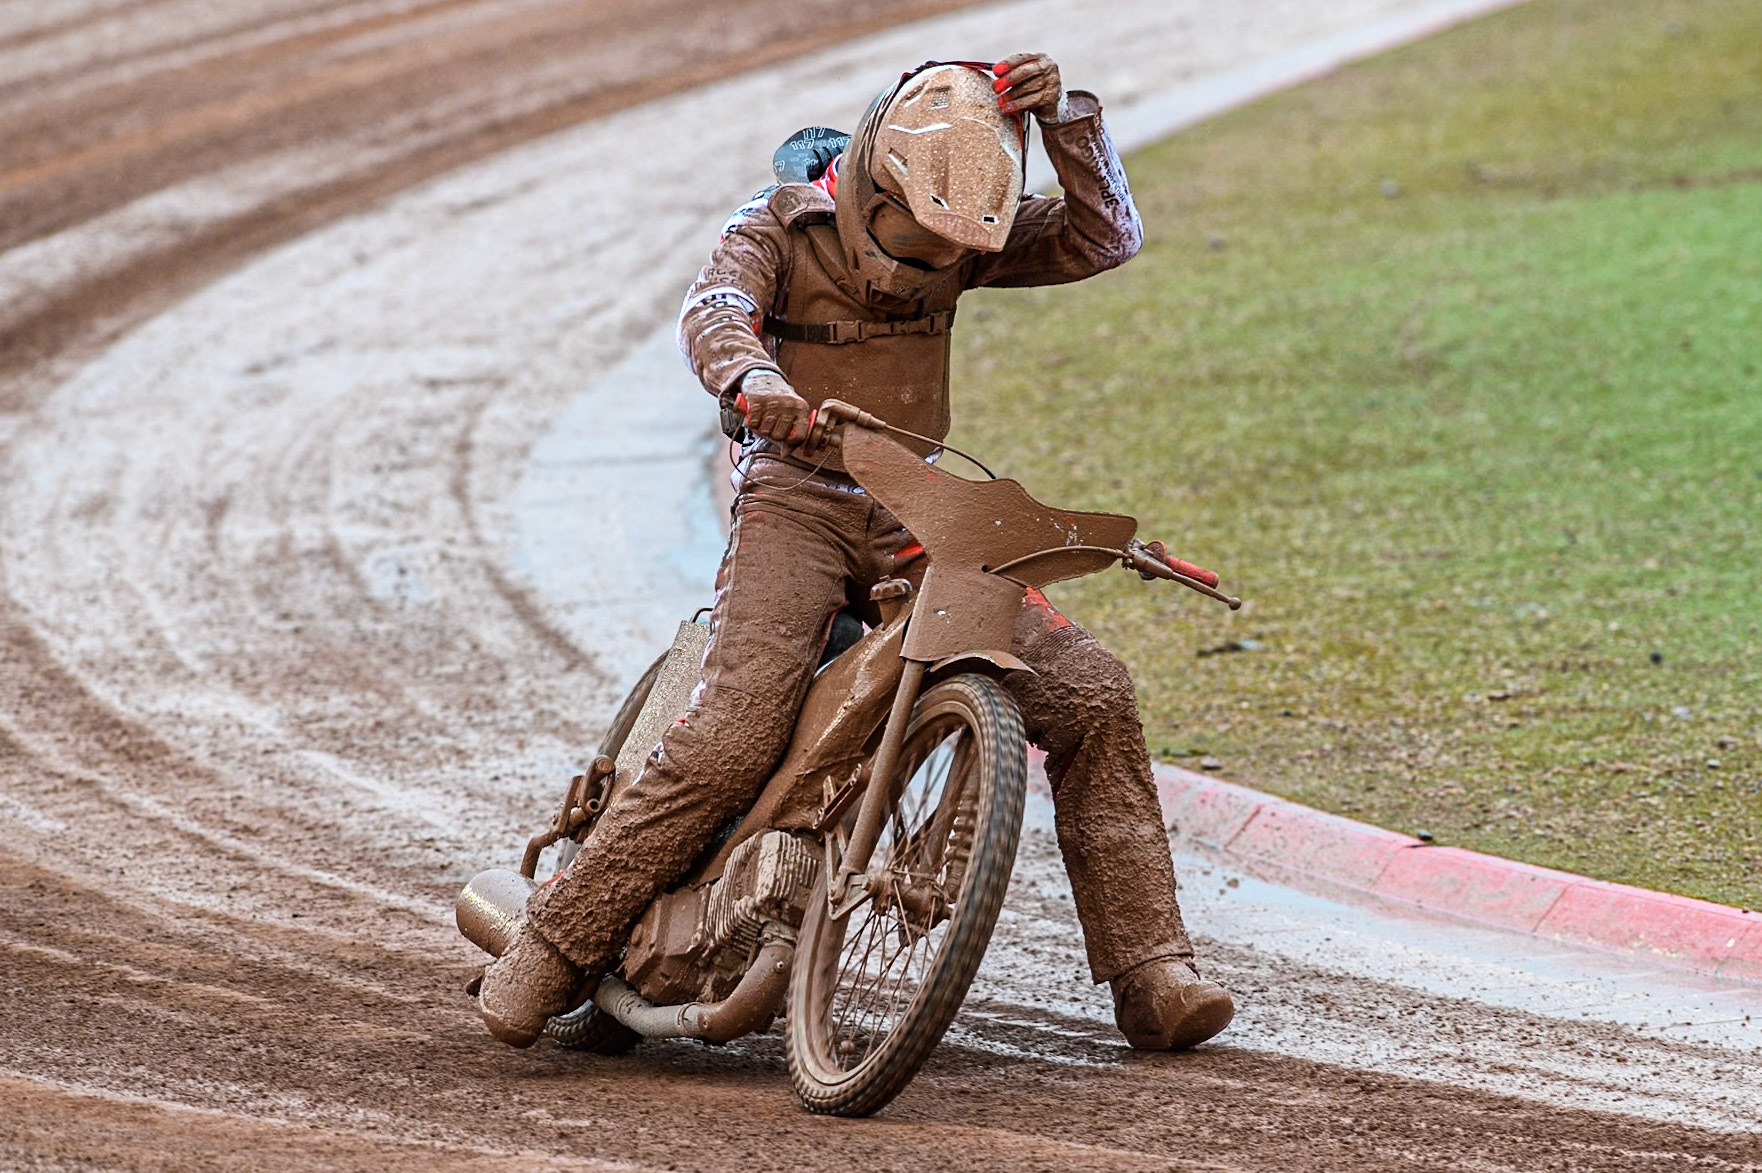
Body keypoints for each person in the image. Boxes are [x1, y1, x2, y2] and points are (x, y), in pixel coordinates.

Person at [479, 53, 1235, 1052]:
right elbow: (712, 314)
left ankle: (1152, 970)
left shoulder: (968, 241)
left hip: (921, 508)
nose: (923, 265)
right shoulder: (774, 230)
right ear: (872, 183)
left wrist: (1069, 125)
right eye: (910, 239)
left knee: (1093, 693)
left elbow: (1107, 237)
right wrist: (751, 382)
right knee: (736, 732)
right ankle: (554, 942)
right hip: (794, 503)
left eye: (947, 252)